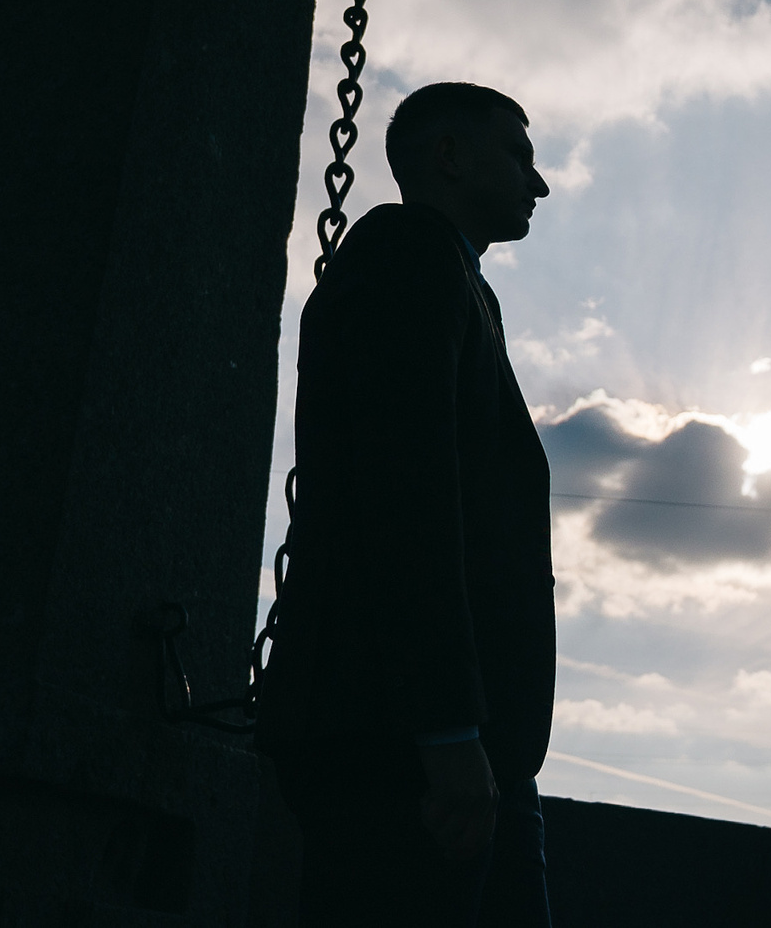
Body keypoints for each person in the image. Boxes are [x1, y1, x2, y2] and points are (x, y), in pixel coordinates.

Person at [258, 82, 556, 927]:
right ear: (450, 156)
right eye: (518, 154)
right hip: (405, 749)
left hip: (437, 742)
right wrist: (446, 730)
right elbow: (407, 494)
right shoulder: (410, 254)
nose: (538, 184)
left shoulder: (450, 278)